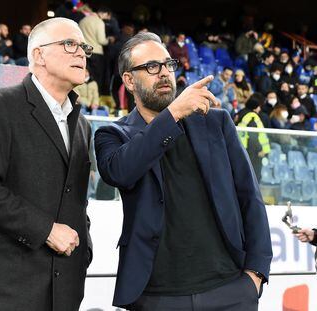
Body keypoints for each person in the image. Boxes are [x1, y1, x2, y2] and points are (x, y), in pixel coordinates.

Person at [95, 32, 272, 311]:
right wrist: (173, 114)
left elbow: (249, 196)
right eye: (152, 67)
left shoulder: (216, 122)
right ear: (129, 80)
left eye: (168, 64)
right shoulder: (113, 134)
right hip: (156, 296)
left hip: (229, 289)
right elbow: (120, 172)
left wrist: (256, 274)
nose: (164, 73)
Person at [0, 17, 93, 311]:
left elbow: (74, 199)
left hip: (61, 291)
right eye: (69, 44)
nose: (80, 52)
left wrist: (84, 249)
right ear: (38, 54)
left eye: (84, 47)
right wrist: (46, 230)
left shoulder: (82, 125)